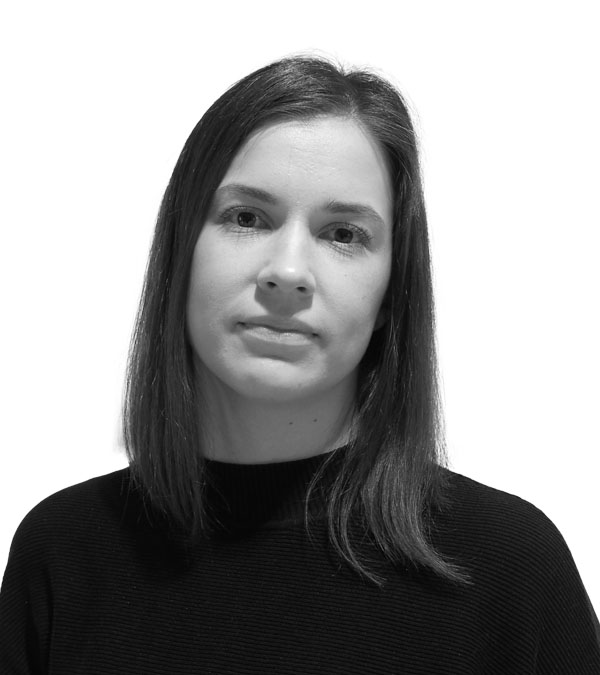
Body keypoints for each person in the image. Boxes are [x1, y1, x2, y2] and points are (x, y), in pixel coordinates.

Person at [1, 55, 598, 674]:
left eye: (343, 234)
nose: (287, 272)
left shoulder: (510, 569)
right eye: (246, 218)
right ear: (181, 251)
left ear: (391, 293)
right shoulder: (63, 555)